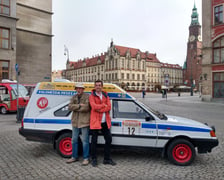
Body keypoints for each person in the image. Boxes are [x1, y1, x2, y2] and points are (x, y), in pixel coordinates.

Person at [89, 80, 116, 167]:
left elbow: (109, 107)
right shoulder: (91, 96)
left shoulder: (105, 95)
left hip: (105, 122)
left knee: (108, 139)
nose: (98, 87)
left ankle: (106, 159)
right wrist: (103, 106)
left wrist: (100, 108)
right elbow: (93, 107)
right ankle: (94, 159)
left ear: (102, 86)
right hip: (96, 121)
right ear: (94, 87)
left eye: (99, 85)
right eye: (96, 85)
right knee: (94, 141)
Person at [66, 82, 91, 166]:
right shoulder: (74, 97)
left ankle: (86, 158)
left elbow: (87, 108)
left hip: (84, 122)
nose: (79, 90)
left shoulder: (87, 96)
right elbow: (69, 107)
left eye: (80, 88)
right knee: (74, 140)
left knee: (85, 141)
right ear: (76, 89)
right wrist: (80, 106)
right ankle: (74, 157)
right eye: (77, 88)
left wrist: (76, 107)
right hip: (75, 122)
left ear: (83, 89)